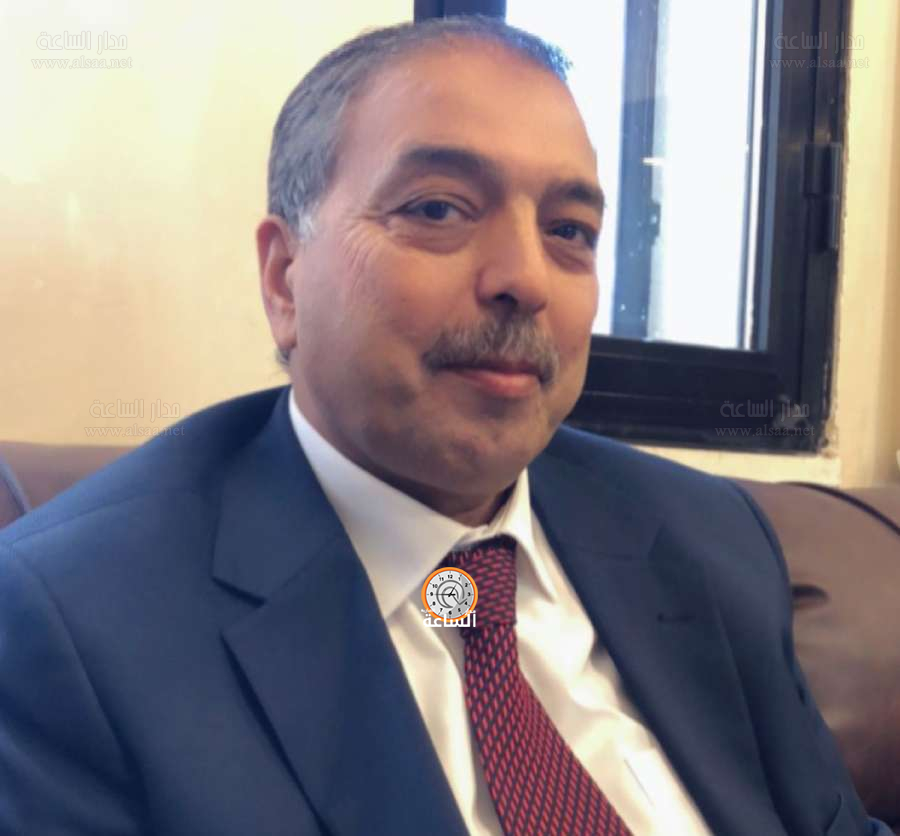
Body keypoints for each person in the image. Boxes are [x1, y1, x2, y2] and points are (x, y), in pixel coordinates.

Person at [0, 15, 888, 836]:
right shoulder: (70, 623)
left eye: (569, 230)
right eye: (437, 209)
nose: (525, 279)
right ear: (284, 279)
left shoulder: (706, 537)